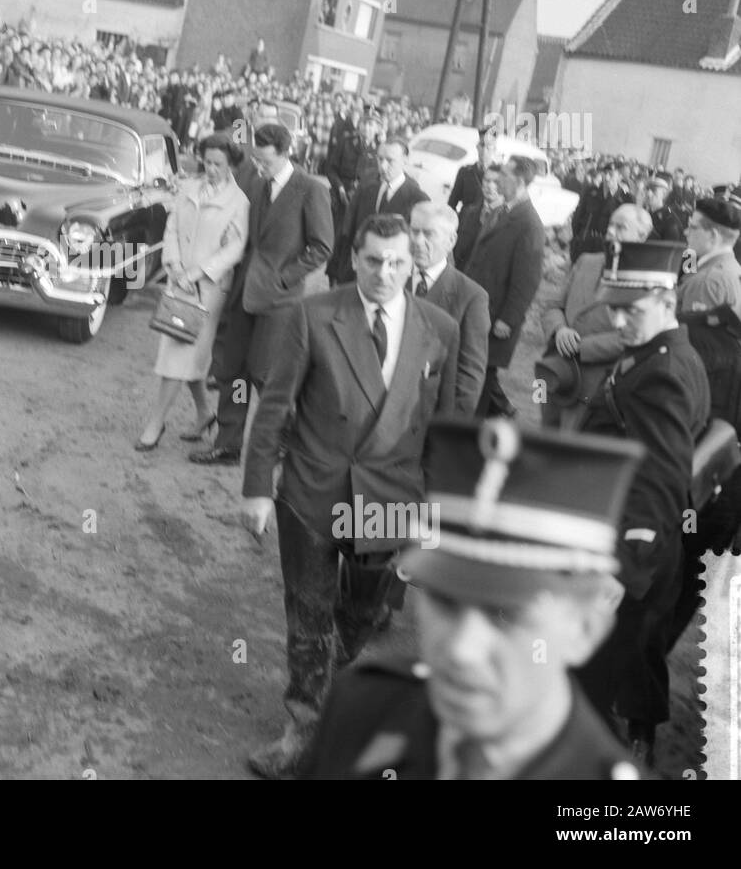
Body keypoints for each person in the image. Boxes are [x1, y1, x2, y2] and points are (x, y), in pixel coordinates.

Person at [302, 416, 644, 780]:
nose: (462, 649)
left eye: (508, 615)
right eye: (444, 601)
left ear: (585, 630)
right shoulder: (360, 709)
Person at [240, 213, 460, 778]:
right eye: (372, 261)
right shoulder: (314, 315)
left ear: (414, 265)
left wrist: (437, 504)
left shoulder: (439, 328)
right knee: (308, 616)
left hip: (390, 498)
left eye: (397, 263)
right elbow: (274, 405)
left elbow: (444, 424)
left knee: (361, 617)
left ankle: (332, 690)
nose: (384, 273)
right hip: (315, 490)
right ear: (353, 259)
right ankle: (303, 728)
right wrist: (258, 488)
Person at [576, 240, 709, 761]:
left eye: (630, 309)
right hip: (643, 551)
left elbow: (659, 485)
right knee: (633, 663)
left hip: (632, 555)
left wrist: (620, 573)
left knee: (591, 680)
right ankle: (635, 745)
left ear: (667, 300)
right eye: (613, 307)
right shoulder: (659, 353)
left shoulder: (664, 373)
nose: (618, 317)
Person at [188, 122, 333, 468]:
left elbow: (322, 246)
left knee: (266, 375)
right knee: (233, 372)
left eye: (266, 160)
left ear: (285, 154)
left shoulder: (309, 190)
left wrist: (285, 278)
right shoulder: (254, 180)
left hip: (279, 302)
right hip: (241, 293)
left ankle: (283, 438)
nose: (259, 166)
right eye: (256, 159)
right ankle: (229, 443)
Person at [135, 133, 250, 450]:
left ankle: (155, 422)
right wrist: (172, 265)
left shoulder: (238, 203)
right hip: (178, 281)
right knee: (189, 356)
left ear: (231, 166)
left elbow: (234, 249)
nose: (211, 168)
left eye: (218, 164)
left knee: (179, 352)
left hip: (208, 290)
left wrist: (197, 273)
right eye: (207, 161)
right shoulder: (188, 188)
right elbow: (171, 227)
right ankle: (203, 413)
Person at [537, 204, 651, 429]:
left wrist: (582, 346)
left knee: (570, 448)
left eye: (621, 227)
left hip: (593, 382)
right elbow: (553, 305)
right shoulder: (586, 261)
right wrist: (560, 330)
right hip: (553, 370)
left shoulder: (645, 284)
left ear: (641, 236)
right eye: (611, 224)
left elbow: (634, 335)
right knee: (542, 432)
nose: (610, 231)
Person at [463, 155, 545, 417]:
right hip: (480, 308)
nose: (498, 180)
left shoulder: (529, 224)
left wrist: (508, 319)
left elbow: (527, 279)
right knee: (478, 373)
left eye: (505, 176)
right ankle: (501, 415)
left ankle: (480, 435)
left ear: (519, 182)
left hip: (496, 315)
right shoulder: (503, 211)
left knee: (482, 376)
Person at [409, 201, 489, 414]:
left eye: (429, 234)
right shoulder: (389, 279)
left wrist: (448, 433)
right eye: (414, 231)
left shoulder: (471, 297)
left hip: (426, 416)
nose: (418, 241)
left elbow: (468, 376)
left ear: (451, 241)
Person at [328, 139, 428, 285]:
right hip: (355, 275)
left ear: (405, 160)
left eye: (390, 160)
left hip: (388, 280)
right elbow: (347, 232)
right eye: (380, 159)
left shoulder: (417, 198)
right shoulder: (366, 187)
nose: (383, 166)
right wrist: (336, 270)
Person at [679, 195, 741, 313]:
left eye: (693, 227)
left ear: (713, 235)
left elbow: (691, 329)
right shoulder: (733, 266)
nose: (685, 232)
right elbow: (687, 273)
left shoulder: (706, 282)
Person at [571, 161, 633, 262]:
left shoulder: (626, 199)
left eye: (611, 175)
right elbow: (577, 217)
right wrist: (577, 238)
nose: (607, 178)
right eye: (605, 174)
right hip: (585, 242)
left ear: (620, 177)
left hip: (605, 247)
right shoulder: (591, 192)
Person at [447, 128, 497, 213]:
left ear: (495, 149)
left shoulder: (500, 174)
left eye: (488, 147)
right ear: (477, 146)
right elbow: (452, 204)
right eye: (482, 145)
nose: (484, 150)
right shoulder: (465, 172)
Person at [642, 172, 683, 241]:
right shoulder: (643, 212)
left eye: (654, 190)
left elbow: (669, 249)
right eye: (647, 189)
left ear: (664, 194)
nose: (649, 194)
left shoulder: (669, 220)